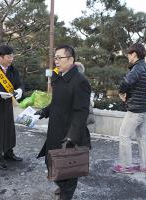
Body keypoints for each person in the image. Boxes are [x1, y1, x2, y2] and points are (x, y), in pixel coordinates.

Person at [35, 45, 91, 200]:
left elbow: (81, 112)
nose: (56, 61)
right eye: (55, 58)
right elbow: (57, 103)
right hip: (55, 131)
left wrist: (71, 136)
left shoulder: (80, 81)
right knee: (51, 163)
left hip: (69, 135)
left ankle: (65, 194)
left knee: (68, 171)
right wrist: (44, 111)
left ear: (71, 59)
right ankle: (62, 188)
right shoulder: (59, 78)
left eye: (60, 58)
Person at [112, 43, 146, 174]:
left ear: (134, 54)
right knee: (143, 138)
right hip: (145, 108)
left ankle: (125, 166)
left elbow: (126, 82)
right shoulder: (145, 67)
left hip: (135, 109)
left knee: (124, 135)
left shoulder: (137, 68)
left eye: (129, 54)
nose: (128, 57)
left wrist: (121, 93)